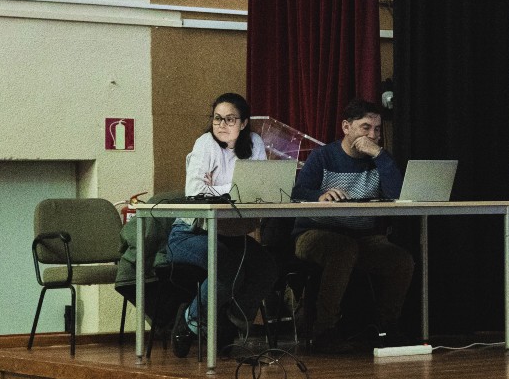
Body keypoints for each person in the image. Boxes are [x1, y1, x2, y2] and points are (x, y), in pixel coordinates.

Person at [290, 98, 414, 354]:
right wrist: (319, 196)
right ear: (346, 127)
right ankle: (325, 330)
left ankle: (387, 327)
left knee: (402, 261)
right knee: (343, 250)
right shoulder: (323, 156)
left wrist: (380, 155)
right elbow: (296, 191)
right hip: (314, 232)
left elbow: (398, 195)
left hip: (365, 236)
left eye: (378, 129)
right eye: (365, 127)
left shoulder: (380, 160)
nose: (373, 135)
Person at [168, 92, 279, 357]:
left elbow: (259, 188)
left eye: (230, 119)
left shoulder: (254, 142)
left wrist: (216, 186)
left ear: (243, 123)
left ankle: (231, 320)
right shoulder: (205, 143)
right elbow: (194, 190)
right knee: (226, 267)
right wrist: (235, 188)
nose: (222, 124)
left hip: (229, 233)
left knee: (267, 267)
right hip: (190, 232)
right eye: (217, 118)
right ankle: (189, 321)